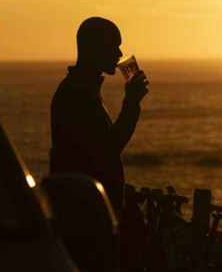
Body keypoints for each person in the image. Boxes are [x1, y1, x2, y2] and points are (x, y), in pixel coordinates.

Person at [50, 17, 149, 216]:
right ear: (96, 48)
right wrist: (131, 103)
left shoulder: (82, 89)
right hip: (85, 212)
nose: (119, 54)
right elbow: (108, 149)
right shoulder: (77, 94)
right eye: (114, 46)